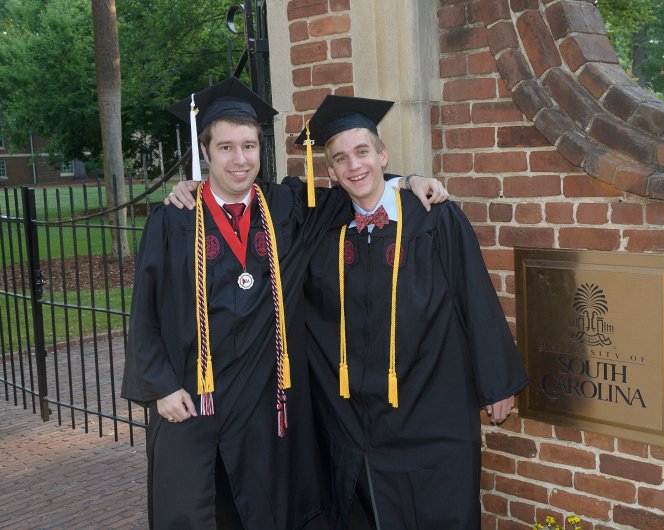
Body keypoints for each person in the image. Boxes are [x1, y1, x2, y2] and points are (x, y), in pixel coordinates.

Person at [122, 78, 446, 529]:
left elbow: (357, 186)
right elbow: (145, 311)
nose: (240, 159)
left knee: (268, 512)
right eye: (226, 148)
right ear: (206, 152)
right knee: (194, 512)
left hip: (263, 409)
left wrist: (408, 181)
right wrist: (160, 386)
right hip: (192, 402)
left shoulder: (287, 206)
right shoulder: (172, 220)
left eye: (249, 146)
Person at [297, 95, 529, 529]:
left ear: (382, 155)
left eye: (362, 152)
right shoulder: (322, 228)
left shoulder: (433, 218)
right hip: (355, 415)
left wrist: (497, 383)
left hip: (431, 405)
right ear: (329, 172)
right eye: (341, 159)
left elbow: (474, 295)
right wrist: (193, 190)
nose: (354, 166)